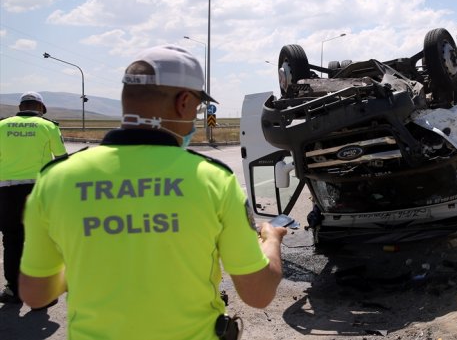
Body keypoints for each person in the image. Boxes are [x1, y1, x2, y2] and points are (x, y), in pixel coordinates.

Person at [18, 45, 287, 339]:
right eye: (198, 108)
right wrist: (272, 240)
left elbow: (35, 294)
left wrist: (90, 265)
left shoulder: (55, 179)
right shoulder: (214, 180)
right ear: (183, 101)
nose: (195, 118)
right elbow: (257, 294)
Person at [0, 92, 67, 307]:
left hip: (6, 191)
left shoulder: (2, 126)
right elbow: (61, 159)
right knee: (42, 241)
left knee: (11, 240)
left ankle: (13, 290)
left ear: (20, 107)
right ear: (41, 107)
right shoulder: (48, 126)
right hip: (37, 190)